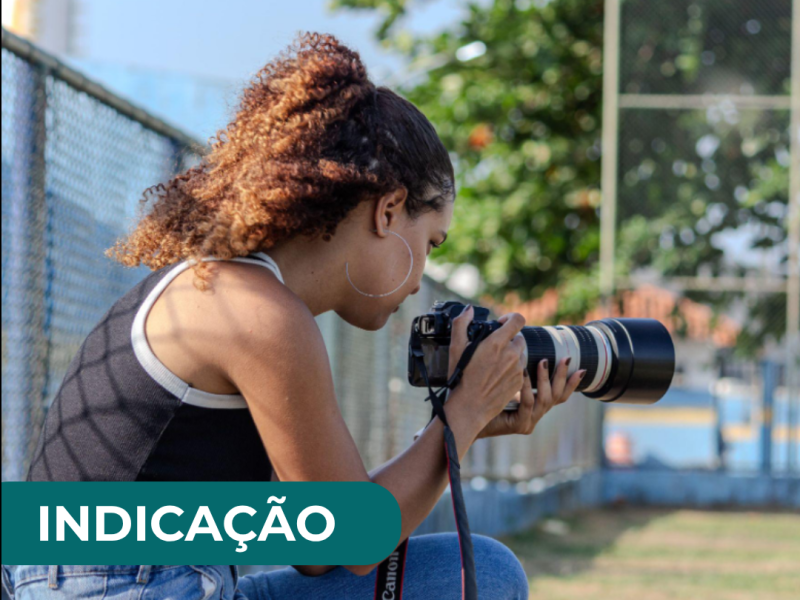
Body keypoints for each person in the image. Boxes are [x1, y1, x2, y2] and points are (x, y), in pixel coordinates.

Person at [3, 32, 583, 600]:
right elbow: (353, 540)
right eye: (431, 243)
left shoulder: (242, 292)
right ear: (387, 211)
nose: (418, 281)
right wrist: (459, 418)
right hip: (120, 588)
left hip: (156, 577)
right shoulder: (257, 313)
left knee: (476, 571)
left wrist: (463, 423)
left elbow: (319, 543)